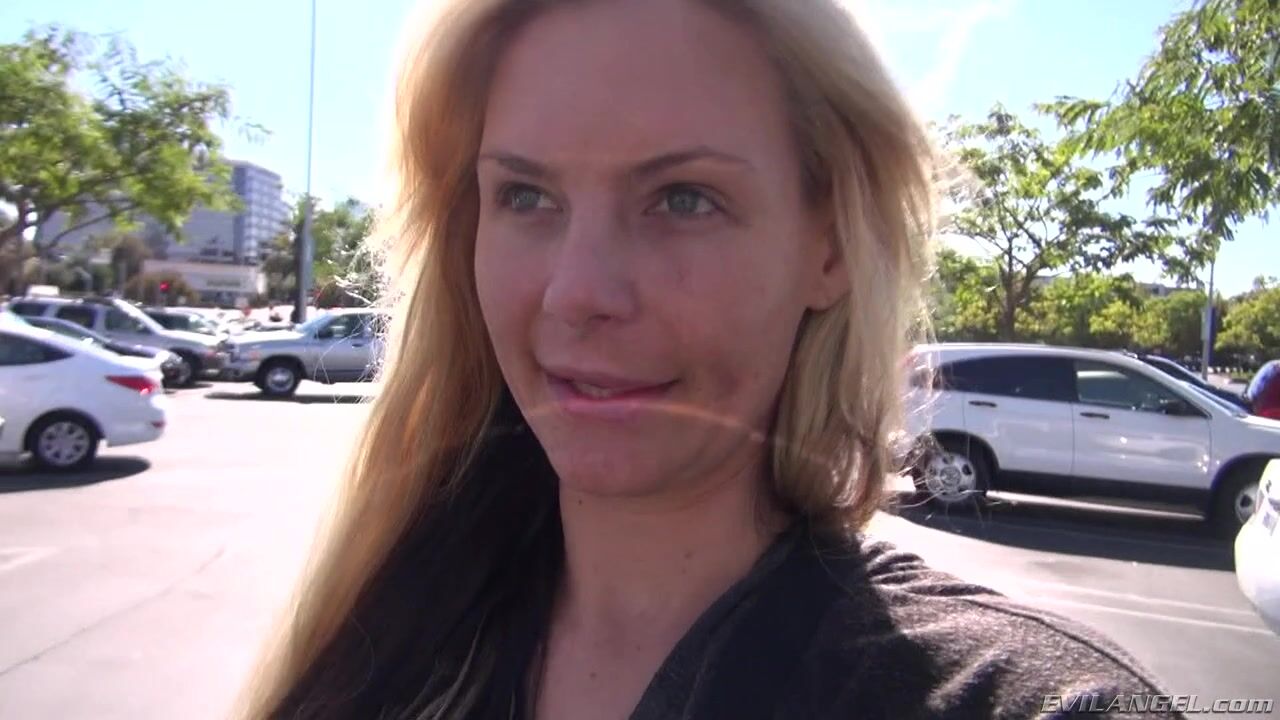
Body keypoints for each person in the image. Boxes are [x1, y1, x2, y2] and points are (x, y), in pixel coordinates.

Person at [240, 1, 1180, 719]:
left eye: (684, 199)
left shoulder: (1020, 701)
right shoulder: (387, 630)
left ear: (829, 246)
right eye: (525, 196)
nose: (578, 292)